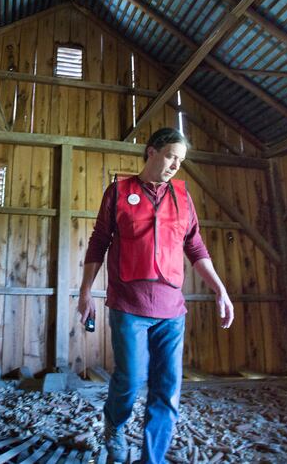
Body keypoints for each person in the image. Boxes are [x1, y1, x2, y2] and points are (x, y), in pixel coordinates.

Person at [78, 128, 234, 463]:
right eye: (170, 156)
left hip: (171, 309)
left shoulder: (182, 195)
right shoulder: (119, 192)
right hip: (128, 305)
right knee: (130, 379)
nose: (175, 165)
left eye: (180, 160)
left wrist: (220, 289)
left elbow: (195, 246)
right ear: (151, 152)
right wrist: (85, 292)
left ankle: (154, 458)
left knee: (167, 388)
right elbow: (99, 241)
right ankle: (115, 424)